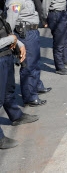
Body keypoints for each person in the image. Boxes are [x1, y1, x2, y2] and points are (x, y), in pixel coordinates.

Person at [4, 0, 50, 107]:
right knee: (28, 66)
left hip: (32, 33)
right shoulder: (14, 1)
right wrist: (15, 42)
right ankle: (30, 97)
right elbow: (10, 24)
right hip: (25, 34)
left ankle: (36, 86)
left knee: (35, 62)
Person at [0, 19, 39, 150]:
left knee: (8, 92)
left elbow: (7, 31)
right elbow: (10, 37)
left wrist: (19, 43)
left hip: (5, 56)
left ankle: (16, 116)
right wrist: (12, 40)